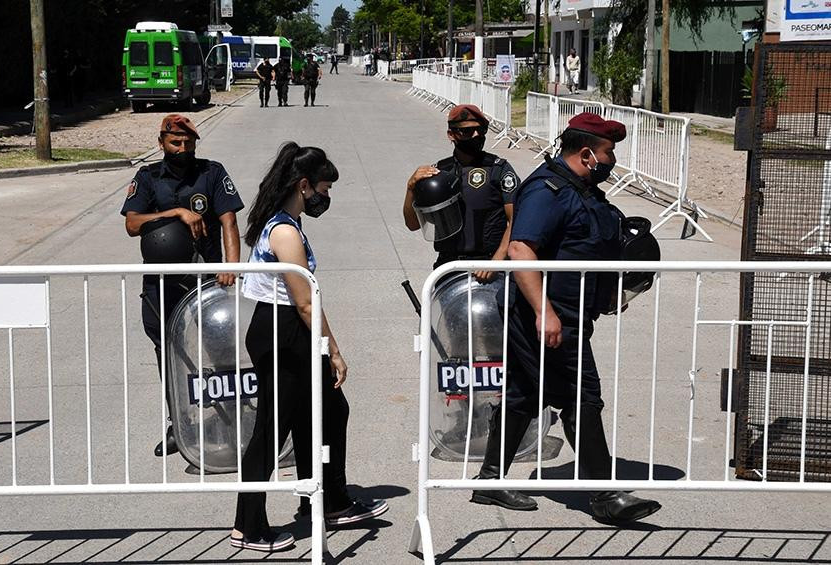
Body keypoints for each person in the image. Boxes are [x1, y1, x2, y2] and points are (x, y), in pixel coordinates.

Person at [469, 112, 662, 524]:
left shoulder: (585, 192)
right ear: (588, 153)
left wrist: (610, 291)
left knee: (525, 393)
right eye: (609, 152)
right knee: (581, 395)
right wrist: (545, 312)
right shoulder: (547, 190)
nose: (612, 160)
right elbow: (521, 250)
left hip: (568, 313)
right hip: (545, 316)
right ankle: (604, 495)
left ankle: (488, 481)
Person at [232, 143, 388, 552]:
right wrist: (333, 349)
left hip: (288, 330)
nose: (327, 197)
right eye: (324, 188)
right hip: (283, 331)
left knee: (325, 412)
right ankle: (247, 526)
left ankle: (322, 500)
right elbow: (304, 301)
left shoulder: (288, 224)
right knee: (272, 428)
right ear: (303, 185)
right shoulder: (284, 231)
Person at [120, 114, 244, 456]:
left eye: (189, 143)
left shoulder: (212, 172)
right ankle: (180, 425)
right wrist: (175, 213)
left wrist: (230, 268)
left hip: (206, 278)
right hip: (163, 283)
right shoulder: (147, 177)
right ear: (161, 143)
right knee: (168, 352)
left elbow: (228, 220)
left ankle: (233, 415)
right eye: (176, 143)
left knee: (221, 347)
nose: (183, 148)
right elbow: (132, 224)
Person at [403, 104, 520, 273]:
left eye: (481, 130)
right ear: (451, 135)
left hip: (489, 264)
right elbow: (412, 224)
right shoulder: (438, 172)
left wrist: (497, 261)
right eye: (467, 132)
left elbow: (516, 218)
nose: (476, 135)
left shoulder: (498, 169)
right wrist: (411, 188)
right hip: (449, 265)